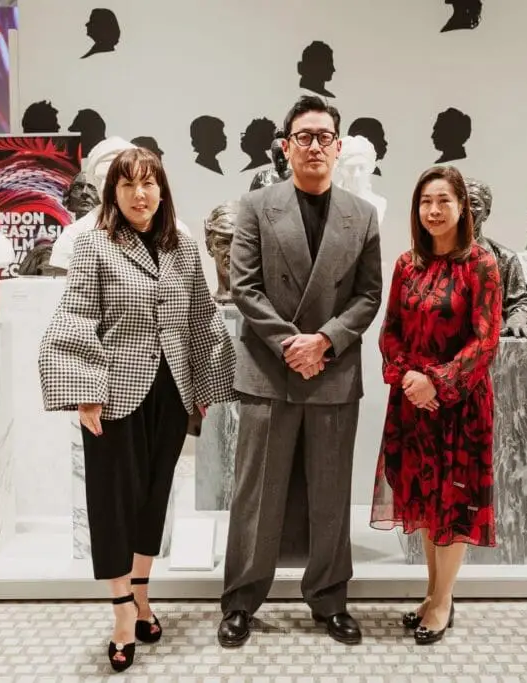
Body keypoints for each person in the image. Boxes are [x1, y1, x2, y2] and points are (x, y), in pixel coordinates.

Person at [38, 147, 236, 673]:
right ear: (114, 193)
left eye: (148, 184)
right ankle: (122, 609)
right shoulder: (95, 244)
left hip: (171, 389)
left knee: (154, 495)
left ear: (162, 189)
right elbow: (76, 314)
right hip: (113, 392)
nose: (139, 194)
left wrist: (208, 384)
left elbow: (200, 315)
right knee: (111, 500)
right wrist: (84, 388)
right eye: (128, 186)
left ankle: (143, 594)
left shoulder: (182, 246)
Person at [217, 95, 383, 648]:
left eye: (324, 137)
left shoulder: (362, 215)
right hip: (269, 368)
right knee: (256, 493)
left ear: (337, 147)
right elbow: (244, 287)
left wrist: (326, 342)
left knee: (331, 493)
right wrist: (293, 343)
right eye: (304, 136)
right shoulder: (257, 205)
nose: (315, 146)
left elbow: (367, 294)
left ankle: (330, 599)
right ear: (286, 147)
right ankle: (241, 600)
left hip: (332, 371)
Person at [370, 164, 503, 645]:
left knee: (454, 506)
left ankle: (443, 601)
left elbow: (486, 340)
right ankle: (432, 593)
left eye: (443, 200)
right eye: (426, 201)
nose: (433, 210)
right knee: (427, 504)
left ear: (462, 206)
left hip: (459, 405)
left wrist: (436, 381)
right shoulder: (408, 264)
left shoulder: (481, 265)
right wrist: (405, 374)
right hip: (412, 403)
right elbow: (390, 330)